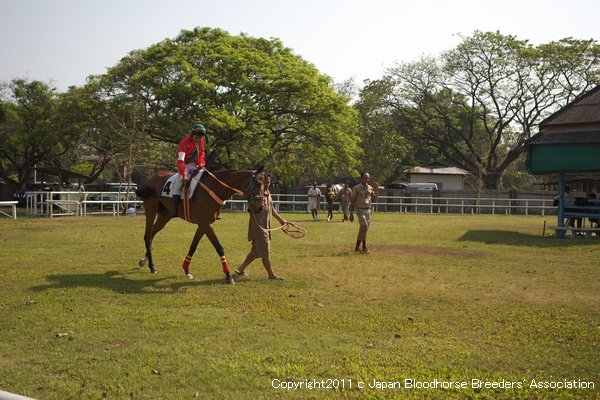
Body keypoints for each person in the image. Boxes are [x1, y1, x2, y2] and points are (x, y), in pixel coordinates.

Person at [235, 173, 286, 280]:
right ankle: (271, 275)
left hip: (266, 226)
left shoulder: (268, 193)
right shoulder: (257, 195)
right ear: (261, 182)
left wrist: (281, 220)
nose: (267, 184)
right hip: (258, 227)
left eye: (269, 182)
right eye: (265, 182)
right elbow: (250, 208)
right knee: (265, 251)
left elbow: (271, 210)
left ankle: (240, 269)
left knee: (255, 251)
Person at [171, 123, 206, 217]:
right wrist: (183, 174)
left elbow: (201, 154)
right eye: (197, 137)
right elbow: (180, 160)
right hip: (185, 165)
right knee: (179, 183)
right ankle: (174, 209)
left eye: (200, 137)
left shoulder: (201, 141)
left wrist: (201, 164)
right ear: (192, 134)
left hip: (196, 165)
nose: (198, 139)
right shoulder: (183, 143)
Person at [350, 172, 379, 254]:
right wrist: (351, 213)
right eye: (365, 178)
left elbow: (374, 199)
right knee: (364, 226)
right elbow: (352, 200)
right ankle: (364, 247)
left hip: (368, 210)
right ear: (361, 178)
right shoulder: (356, 188)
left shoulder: (370, 188)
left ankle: (357, 248)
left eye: (368, 178)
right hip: (360, 209)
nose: (366, 180)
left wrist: (376, 190)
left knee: (364, 229)